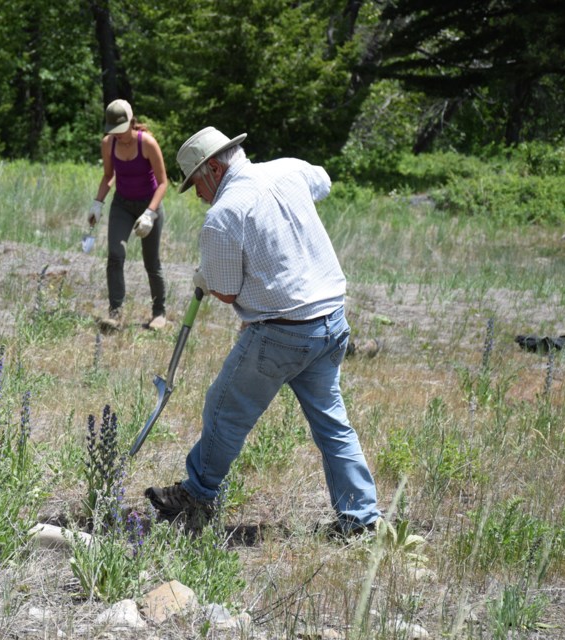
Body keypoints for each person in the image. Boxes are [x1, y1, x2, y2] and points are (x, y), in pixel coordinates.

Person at [145, 126, 381, 537]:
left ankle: (197, 497)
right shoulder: (288, 170)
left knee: (224, 409)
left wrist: (205, 277)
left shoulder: (224, 215)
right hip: (330, 321)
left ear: (214, 169)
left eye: (197, 185)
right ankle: (361, 520)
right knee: (332, 423)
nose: (198, 196)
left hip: (282, 333)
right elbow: (322, 180)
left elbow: (227, 291)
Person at [87, 99, 169, 331]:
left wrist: (150, 214)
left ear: (131, 123)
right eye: (114, 131)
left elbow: (163, 182)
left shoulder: (147, 144)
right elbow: (108, 176)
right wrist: (97, 203)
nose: (118, 136)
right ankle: (115, 313)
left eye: (122, 130)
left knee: (151, 261)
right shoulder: (108, 144)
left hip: (148, 205)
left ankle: (159, 313)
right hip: (122, 204)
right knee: (115, 254)